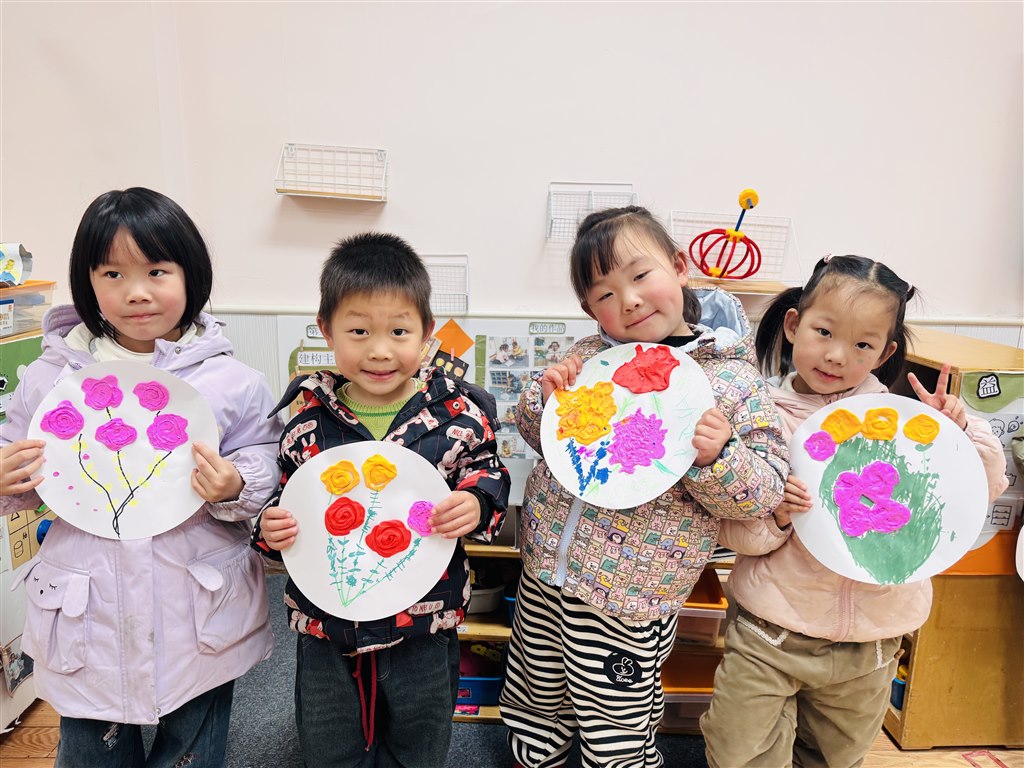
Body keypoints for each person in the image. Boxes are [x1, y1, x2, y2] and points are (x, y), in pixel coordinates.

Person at [498, 206, 789, 768]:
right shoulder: (589, 357)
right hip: (545, 571)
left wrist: (719, 456)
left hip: (632, 596)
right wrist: (545, 401)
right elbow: (544, 441)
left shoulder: (730, 378)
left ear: (679, 267)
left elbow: (764, 490)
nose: (628, 301)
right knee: (536, 693)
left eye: (639, 275)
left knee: (616, 720)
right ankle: (536, 755)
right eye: (605, 294)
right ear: (590, 310)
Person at [0, 187, 280, 768]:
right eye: (112, 274)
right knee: (90, 749)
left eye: (156, 271)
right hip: (87, 612)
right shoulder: (50, 377)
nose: (136, 291)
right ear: (88, 282)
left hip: (197, 609)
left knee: (193, 748)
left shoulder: (231, 380)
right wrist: (6, 477)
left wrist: (237, 483)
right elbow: (17, 455)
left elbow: (264, 454)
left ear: (190, 274)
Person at [702, 255, 1009, 768]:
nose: (837, 356)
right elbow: (735, 534)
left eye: (863, 345)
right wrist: (777, 515)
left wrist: (956, 433)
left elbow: (985, 488)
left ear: (886, 352)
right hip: (770, 629)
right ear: (793, 325)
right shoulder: (761, 419)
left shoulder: (900, 422)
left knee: (836, 757)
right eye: (823, 332)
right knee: (740, 751)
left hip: (872, 639)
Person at [252, 232, 510, 768]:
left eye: (398, 331)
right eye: (358, 331)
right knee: (328, 742)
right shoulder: (306, 418)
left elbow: (488, 473)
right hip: (326, 623)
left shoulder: (458, 415)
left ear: (426, 332)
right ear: (326, 329)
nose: (379, 350)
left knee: (421, 741)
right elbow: (285, 497)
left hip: (425, 618)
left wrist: (477, 504)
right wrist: (270, 530)